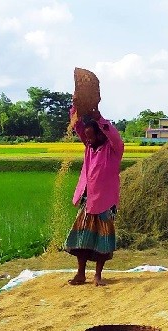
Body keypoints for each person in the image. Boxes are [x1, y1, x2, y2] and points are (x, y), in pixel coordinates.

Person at [64, 105, 124, 286]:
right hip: (88, 199)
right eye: (87, 137)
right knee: (81, 237)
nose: (87, 140)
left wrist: (99, 118)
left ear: (101, 135)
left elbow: (115, 137)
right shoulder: (89, 147)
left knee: (102, 240)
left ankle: (98, 276)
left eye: (91, 136)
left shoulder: (113, 150)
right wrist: (75, 107)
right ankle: (80, 274)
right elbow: (78, 128)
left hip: (105, 202)